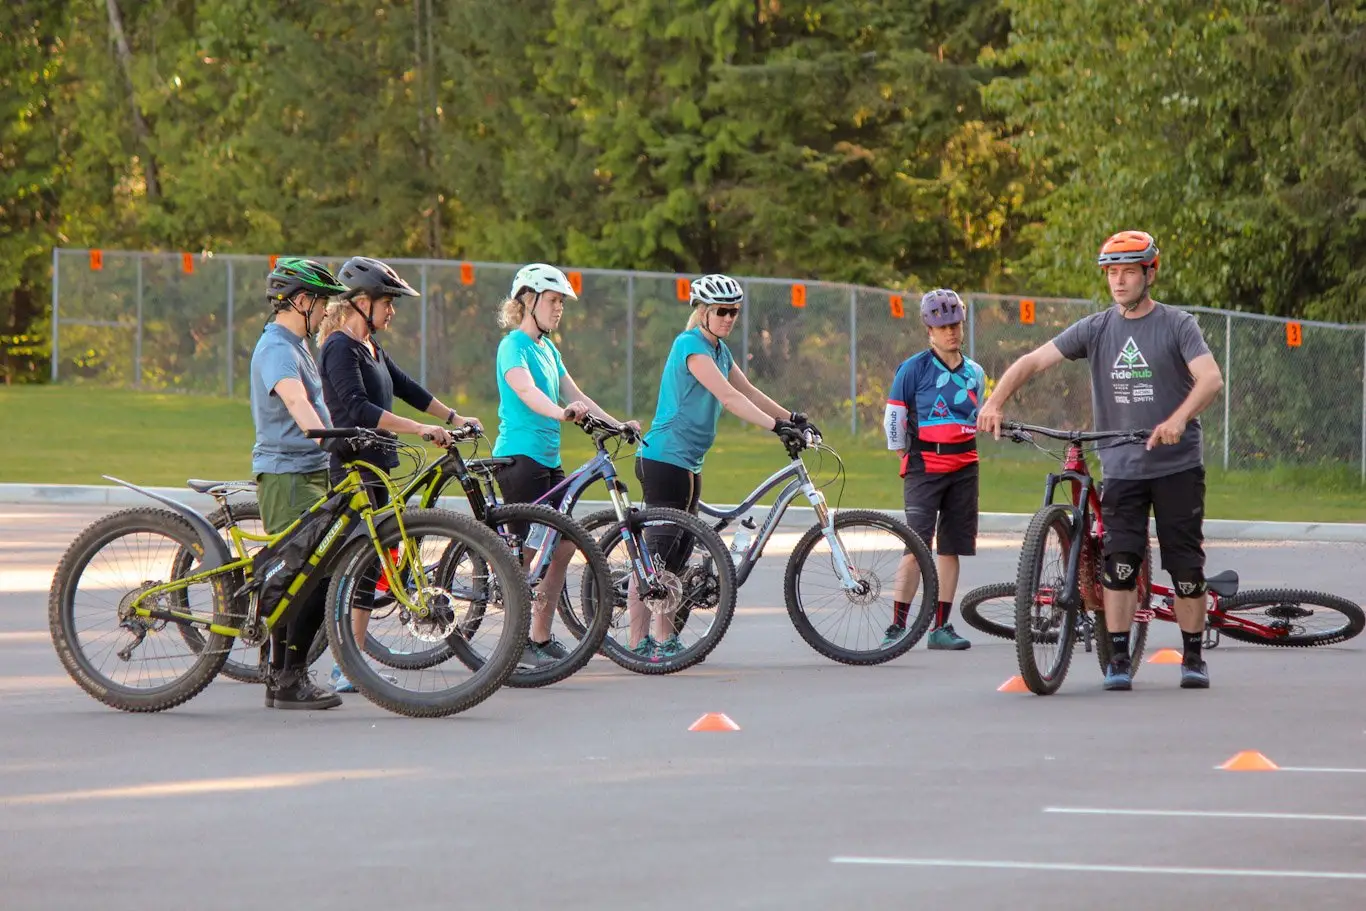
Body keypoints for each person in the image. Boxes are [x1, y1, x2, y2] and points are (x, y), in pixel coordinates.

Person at [977, 230, 1224, 690]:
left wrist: (1177, 419)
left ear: (1150, 273)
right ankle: (1117, 656)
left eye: (1129, 271)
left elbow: (1210, 380)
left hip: (1176, 466)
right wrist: (995, 402)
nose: (1119, 281)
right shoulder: (1096, 328)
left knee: (1186, 567)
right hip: (1122, 466)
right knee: (1120, 564)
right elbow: (1031, 361)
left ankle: (1193, 655)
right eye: (1112, 273)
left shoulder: (1178, 324)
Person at [317, 255, 480, 693]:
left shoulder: (372, 346)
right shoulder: (338, 346)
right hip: (354, 469)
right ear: (361, 302)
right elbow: (359, 410)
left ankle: (350, 665)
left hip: (381, 466)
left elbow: (406, 387)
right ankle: (343, 665)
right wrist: (422, 430)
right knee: (355, 569)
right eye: (387, 302)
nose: (392, 311)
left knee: (370, 568)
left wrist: (452, 417)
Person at [631, 274, 812, 659]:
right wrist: (775, 427)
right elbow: (728, 398)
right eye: (722, 311)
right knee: (656, 558)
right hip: (664, 458)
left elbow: (748, 390)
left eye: (734, 312)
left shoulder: (719, 350)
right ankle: (636, 643)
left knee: (677, 558)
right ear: (703, 312)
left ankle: (666, 641)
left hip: (689, 463)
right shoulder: (690, 345)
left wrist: (792, 417)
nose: (729, 318)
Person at [493, 263, 638, 667]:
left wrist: (617, 425)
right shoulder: (514, 346)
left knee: (561, 547)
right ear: (528, 300)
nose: (559, 309)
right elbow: (526, 391)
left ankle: (539, 636)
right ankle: (513, 642)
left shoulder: (548, 349)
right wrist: (560, 413)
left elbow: (575, 393)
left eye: (561, 303)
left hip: (549, 461)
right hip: (519, 459)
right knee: (523, 556)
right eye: (553, 300)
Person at [249, 257, 349, 710]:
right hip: (288, 474)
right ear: (302, 301)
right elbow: (296, 401)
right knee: (302, 576)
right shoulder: (277, 348)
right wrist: (330, 440)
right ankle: (288, 679)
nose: (326, 311)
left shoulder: (298, 343)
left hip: (307, 471)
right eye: (322, 303)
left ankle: (282, 674)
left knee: (314, 572)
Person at [882, 289, 985, 651]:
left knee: (951, 548)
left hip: (964, 467)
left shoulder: (975, 372)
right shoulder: (913, 369)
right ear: (929, 329)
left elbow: (976, 412)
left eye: (955, 324)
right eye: (942, 327)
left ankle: (940, 627)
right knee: (915, 547)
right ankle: (897, 626)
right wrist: (901, 452)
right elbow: (895, 416)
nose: (950, 332)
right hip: (925, 467)